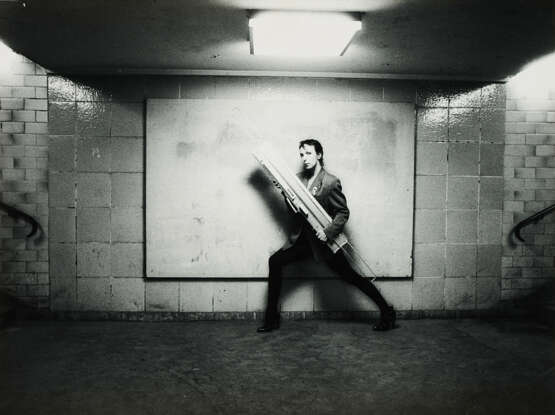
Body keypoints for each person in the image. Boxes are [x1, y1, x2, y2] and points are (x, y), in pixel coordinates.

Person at [257, 139, 396, 333]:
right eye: (301, 154)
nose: (304, 158)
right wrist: (285, 195)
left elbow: (343, 213)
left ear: (319, 154)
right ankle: (271, 319)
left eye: (309, 153)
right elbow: (295, 213)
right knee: (275, 261)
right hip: (302, 241)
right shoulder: (297, 181)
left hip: (324, 242)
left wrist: (328, 232)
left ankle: (387, 312)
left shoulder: (331, 181)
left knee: (351, 277)